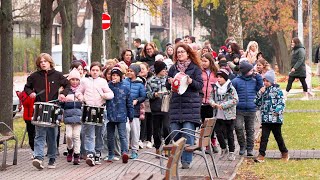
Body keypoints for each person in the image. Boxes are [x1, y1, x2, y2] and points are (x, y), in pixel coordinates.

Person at [24, 53, 70, 170]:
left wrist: (63, 94)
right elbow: (27, 87)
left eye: (45, 61)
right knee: (39, 134)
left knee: (52, 135)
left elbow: (67, 85)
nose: (43, 63)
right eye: (41, 62)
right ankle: (39, 158)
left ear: (50, 62)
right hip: (39, 107)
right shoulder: (34, 76)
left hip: (53, 108)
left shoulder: (58, 75)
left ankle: (52, 158)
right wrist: (31, 93)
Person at [166, 43, 203, 169]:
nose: (180, 54)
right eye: (178, 52)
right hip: (176, 105)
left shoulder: (195, 68)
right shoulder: (173, 68)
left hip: (190, 106)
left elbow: (200, 86)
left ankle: (186, 161)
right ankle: (177, 159)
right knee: (175, 134)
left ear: (188, 53)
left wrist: (191, 81)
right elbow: (167, 85)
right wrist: (169, 82)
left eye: (182, 52)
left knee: (187, 134)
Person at [76, 62, 114, 166]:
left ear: (100, 71)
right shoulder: (84, 81)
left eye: (97, 70)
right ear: (90, 71)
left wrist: (104, 95)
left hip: (100, 109)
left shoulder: (103, 81)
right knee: (89, 133)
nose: (95, 72)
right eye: (93, 70)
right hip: (88, 109)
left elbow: (111, 94)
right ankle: (90, 153)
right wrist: (81, 97)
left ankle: (98, 152)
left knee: (100, 133)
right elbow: (78, 92)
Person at [254, 70, 289, 163]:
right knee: (264, 137)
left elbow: (281, 103)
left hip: (275, 119)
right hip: (265, 119)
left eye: (267, 81)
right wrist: (259, 93)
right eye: (264, 81)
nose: (265, 83)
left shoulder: (278, 90)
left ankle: (284, 152)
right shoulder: (263, 91)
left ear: (272, 81)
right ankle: (261, 155)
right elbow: (257, 103)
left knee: (278, 137)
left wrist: (277, 111)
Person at [231, 61, 263, 156]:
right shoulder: (236, 81)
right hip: (239, 109)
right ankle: (242, 145)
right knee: (238, 127)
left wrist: (258, 76)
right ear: (245, 71)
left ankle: (250, 148)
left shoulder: (254, 81)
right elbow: (232, 93)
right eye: (251, 70)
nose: (253, 71)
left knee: (250, 129)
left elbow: (260, 87)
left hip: (251, 108)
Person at [209, 69, 238, 161]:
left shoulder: (230, 88)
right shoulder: (215, 88)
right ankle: (223, 148)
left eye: (221, 77)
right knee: (218, 132)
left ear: (225, 78)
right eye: (217, 77)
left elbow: (235, 100)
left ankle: (232, 152)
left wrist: (223, 105)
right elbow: (210, 98)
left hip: (229, 114)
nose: (218, 79)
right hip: (218, 114)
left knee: (229, 133)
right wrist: (213, 103)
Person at [106, 67, 133, 163]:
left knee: (122, 135)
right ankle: (110, 154)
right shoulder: (107, 86)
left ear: (121, 77)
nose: (115, 77)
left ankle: (124, 152)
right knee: (110, 136)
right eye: (113, 75)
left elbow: (129, 102)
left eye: (117, 75)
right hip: (110, 115)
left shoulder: (125, 87)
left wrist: (131, 115)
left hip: (121, 114)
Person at [146, 61, 171, 155]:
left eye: (165, 69)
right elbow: (147, 94)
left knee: (166, 128)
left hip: (166, 107)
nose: (165, 71)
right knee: (156, 130)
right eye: (163, 69)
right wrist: (155, 94)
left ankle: (168, 147)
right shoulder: (150, 80)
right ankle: (157, 146)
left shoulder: (168, 80)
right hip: (155, 108)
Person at [60, 68, 83, 165]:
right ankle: (70, 149)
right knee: (69, 136)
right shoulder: (66, 91)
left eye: (77, 79)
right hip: (68, 118)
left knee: (76, 136)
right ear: (69, 80)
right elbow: (61, 105)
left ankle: (77, 155)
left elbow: (85, 103)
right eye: (72, 79)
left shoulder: (81, 91)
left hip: (78, 118)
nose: (75, 82)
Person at [123, 63, 147, 159]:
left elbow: (143, 96)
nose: (129, 72)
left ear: (136, 73)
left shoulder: (140, 84)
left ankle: (134, 150)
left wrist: (137, 100)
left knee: (135, 131)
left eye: (131, 71)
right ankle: (125, 149)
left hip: (135, 111)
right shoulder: (124, 82)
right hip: (124, 110)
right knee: (126, 129)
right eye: (128, 70)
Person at [200, 52, 219, 153]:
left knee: (211, 124)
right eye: (202, 61)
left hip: (211, 102)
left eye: (205, 61)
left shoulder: (215, 72)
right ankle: (207, 145)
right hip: (202, 102)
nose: (203, 63)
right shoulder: (200, 72)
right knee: (204, 124)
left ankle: (213, 142)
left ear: (210, 61)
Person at [138, 62, 153, 149]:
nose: (141, 70)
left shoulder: (151, 79)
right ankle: (140, 139)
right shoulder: (137, 79)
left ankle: (149, 140)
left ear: (148, 70)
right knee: (142, 121)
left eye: (143, 68)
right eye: (140, 69)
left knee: (149, 121)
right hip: (141, 103)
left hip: (149, 102)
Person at [17, 90, 35, 157]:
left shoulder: (36, 90)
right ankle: (33, 150)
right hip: (28, 117)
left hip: (36, 116)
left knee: (37, 135)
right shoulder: (25, 93)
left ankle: (38, 151)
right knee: (31, 135)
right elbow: (24, 101)